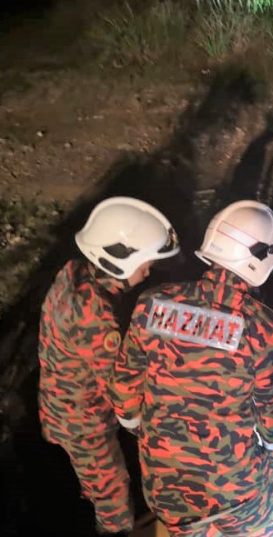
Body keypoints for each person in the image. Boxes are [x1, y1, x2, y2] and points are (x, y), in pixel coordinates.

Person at [111, 200, 273, 537]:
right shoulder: (263, 327)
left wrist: (153, 433)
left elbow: (124, 395)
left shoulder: (152, 303)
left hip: (167, 490)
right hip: (238, 491)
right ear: (261, 261)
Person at [38, 196, 180, 536]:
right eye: (145, 263)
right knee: (114, 504)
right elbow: (122, 392)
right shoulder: (96, 320)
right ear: (118, 263)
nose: (148, 271)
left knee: (84, 483)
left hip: (57, 402)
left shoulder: (74, 271)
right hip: (84, 425)